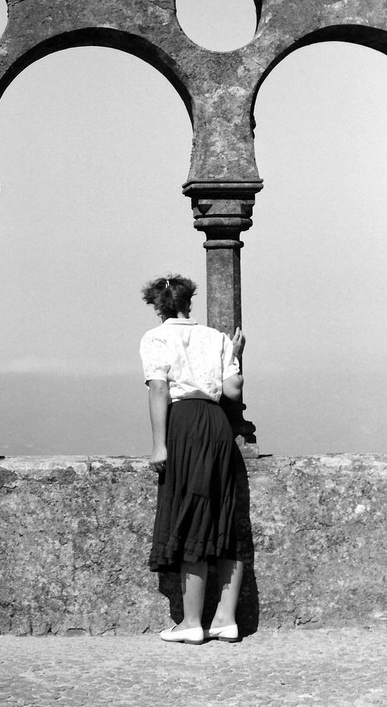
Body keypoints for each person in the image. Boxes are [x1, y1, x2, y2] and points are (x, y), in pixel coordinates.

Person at [139, 273, 245, 644]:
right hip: (217, 424)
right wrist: (234, 354)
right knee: (223, 513)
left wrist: (159, 444)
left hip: (183, 423)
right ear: (189, 302)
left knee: (190, 514)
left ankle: (191, 624)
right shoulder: (216, 338)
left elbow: (158, 390)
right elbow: (232, 389)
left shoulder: (156, 338)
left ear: (157, 306)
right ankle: (226, 619)